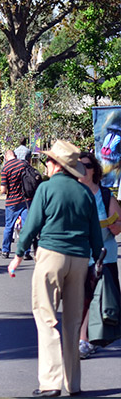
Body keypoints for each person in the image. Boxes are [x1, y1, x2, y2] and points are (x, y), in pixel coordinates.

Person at [8, 140, 103, 398]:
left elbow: (33, 224)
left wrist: (18, 254)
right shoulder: (85, 192)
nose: (45, 165)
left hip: (51, 255)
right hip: (80, 259)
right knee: (72, 321)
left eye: (48, 161)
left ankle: (51, 382)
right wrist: (97, 261)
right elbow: (95, 231)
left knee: (46, 318)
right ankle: (74, 383)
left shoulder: (47, 189)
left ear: (57, 165)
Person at [76, 151, 121, 359]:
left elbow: (118, 225)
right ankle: (83, 337)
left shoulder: (104, 195)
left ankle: (87, 338)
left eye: (86, 165)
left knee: (99, 298)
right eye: (79, 166)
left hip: (105, 256)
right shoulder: (74, 193)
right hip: (81, 255)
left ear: (94, 169)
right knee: (83, 298)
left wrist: (114, 226)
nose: (82, 169)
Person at [0, 150, 31, 260]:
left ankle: (5, 250)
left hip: (12, 202)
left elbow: (3, 190)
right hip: (26, 200)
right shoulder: (23, 164)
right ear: (15, 156)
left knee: (9, 226)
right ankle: (26, 252)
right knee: (26, 226)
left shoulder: (5, 169)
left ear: (6, 158)